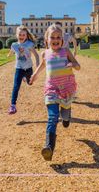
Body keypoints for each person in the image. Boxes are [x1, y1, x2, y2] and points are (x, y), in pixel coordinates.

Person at [30, 24, 80, 161]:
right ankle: (49, 147)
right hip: (51, 89)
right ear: (47, 39)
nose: (56, 39)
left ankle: (67, 117)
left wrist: (72, 65)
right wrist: (34, 76)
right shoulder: (45, 53)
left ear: (62, 40)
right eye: (52, 37)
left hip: (67, 89)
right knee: (52, 117)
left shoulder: (66, 52)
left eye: (58, 37)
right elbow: (42, 66)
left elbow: (78, 66)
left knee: (64, 114)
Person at [7, 25, 39, 115]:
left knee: (30, 83)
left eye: (23, 35)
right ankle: (13, 106)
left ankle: (25, 78)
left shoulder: (29, 44)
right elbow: (11, 50)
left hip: (28, 68)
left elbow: (36, 55)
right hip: (19, 68)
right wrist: (9, 54)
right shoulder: (14, 45)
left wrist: (37, 65)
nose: (22, 36)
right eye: (20, 34)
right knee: (16, 86)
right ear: (17, 35)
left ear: (26, 35)